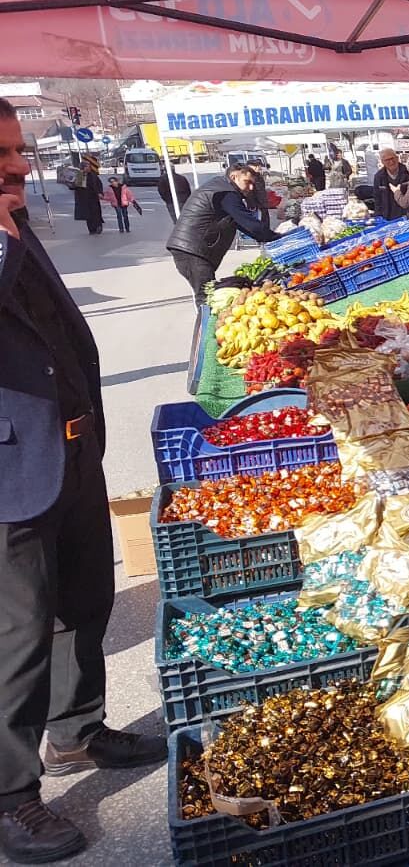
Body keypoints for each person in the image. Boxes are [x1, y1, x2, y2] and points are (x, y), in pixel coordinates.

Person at [0, 98, 167, 865]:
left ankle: (77, 730)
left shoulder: (15, 226)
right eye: (3, 154)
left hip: (66, 452)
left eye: (16, 150)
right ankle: (12, 798)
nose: (20, 164)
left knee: (83, 601)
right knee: (18, 637)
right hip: (10, 469)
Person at [166, 164, 281, 305]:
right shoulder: (226, 193)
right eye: (247, 182)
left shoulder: (223, 189)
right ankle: (205, 326)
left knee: (209, 294)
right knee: (206, 298)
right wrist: (275, 237)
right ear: (234, 177)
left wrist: (266, 237)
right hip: (191, 250)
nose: (251, 188)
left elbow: (242, 224)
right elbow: (248, 222)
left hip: (193, 250)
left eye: (253, 184)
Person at [373, 148, 409, 221]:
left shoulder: (408, 172)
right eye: (387, 160)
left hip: (407, 215)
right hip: (388, 216)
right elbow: (377, 199)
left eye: (392, 158)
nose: (391, 162)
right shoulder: (379, 176)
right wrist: (378, 217)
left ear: (397, 158)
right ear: (382, 162)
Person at [71, 155, 103, 236]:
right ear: (83, 168)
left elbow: (99, 184)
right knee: (88, 215)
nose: (89, 167)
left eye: (89, 166)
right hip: (84, 198)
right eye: (87, 166)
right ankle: (91, 229)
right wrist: (73, 184)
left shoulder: (93, 175)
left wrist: (100, 193)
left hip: (94, 197)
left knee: (96, 212)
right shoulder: (79, 176)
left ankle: (99, 226)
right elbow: (74, 187)